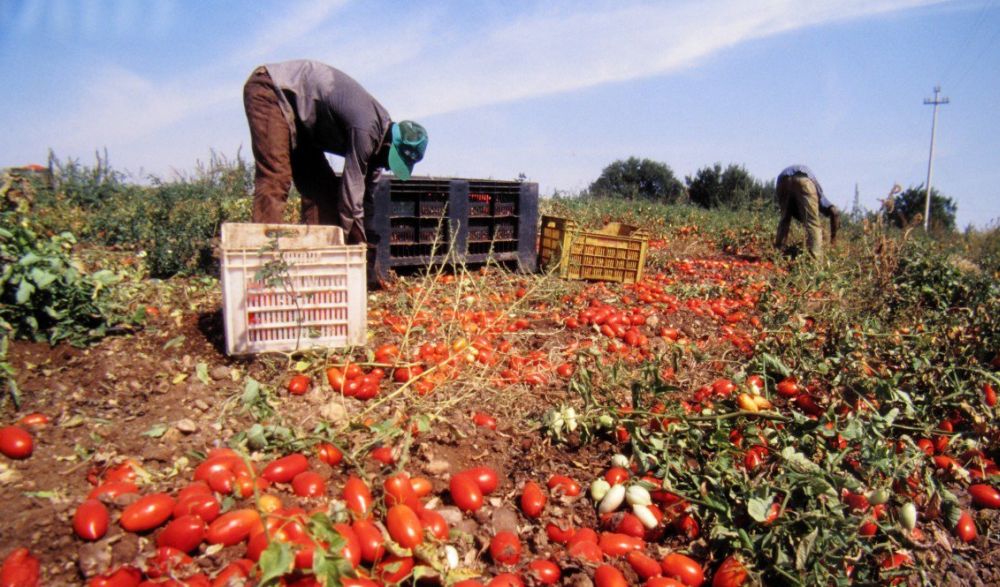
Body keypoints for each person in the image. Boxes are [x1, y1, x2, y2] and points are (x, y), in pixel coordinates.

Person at [243, 59, 428, 247]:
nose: (388, 167)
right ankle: (264, 261)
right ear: (389, 144)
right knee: (276, 176)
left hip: (304, 127)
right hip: (272, 90)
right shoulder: (367, 129)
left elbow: (365, 201)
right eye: (392, 161)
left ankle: (318, 261)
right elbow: (351, 196)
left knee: (322, 191)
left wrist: (370, 237)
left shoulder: (376, 153)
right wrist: (358, 243)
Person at [774, 164, 839, 260]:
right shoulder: (821, 198)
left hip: (783, 179)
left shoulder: (797, 205)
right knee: (813, 223)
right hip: (804, 179)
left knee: (784, 219)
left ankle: (777, 253)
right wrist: (833, 239)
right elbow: (834, 211)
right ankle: (815, 261)